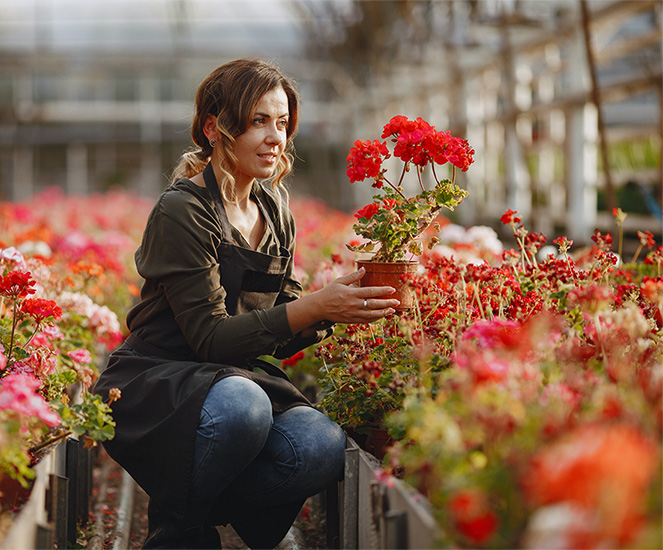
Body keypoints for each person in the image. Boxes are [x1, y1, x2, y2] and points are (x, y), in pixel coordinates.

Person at [94, 58, 399, 550]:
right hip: (163, 379)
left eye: (281, 123)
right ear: (215, 128)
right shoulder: (184, 210)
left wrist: (343, 305)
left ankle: (187, 519)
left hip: (237, 378)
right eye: (259, 121)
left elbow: (278, 326)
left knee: (319, 444)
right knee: (244, 406)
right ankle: (181, 536)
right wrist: (317, 305)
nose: (275, 137)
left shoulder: (276, 211)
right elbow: (210, 338)